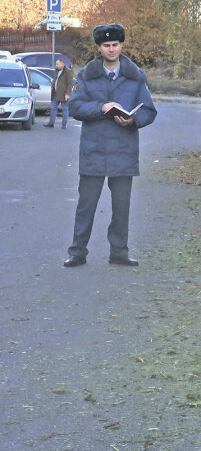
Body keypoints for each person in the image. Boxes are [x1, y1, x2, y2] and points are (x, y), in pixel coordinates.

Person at [63, 23, 157, 268]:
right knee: (86, 205)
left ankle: (119, 252)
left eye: (115, 45)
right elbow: (74, 106)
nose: (111, 49)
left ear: (121, 45)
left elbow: (149, 110)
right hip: (93, 149)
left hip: (123, 150)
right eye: (106, 45)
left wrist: (133, 120)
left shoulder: (136, 76)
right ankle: (77, 252)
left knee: (121, 207)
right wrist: (101, 108)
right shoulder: (85, 75)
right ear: (99, 47)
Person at [43, 58, 73, 129]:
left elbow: (70, 84)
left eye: (57, 64)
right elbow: (56, 80)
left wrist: (68, 94)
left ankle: (64, 124)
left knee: (65, 109)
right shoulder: (56, 70)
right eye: (56, 64)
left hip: (64, 94)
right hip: (55, 93)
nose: (56, 65)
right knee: (53, 108)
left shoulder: (68, 72)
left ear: (62, 64)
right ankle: (51, 123)